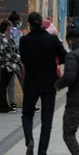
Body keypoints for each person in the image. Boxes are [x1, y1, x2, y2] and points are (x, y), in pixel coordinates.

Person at [19, 12, 67, 155]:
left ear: (29, 24)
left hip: (31, 83)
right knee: (47, 121)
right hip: (49, 84)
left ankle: (29, 139)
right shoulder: (52, 40)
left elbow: (24, 59)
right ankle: (42, 152)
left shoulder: (24, 41)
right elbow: (64, 56)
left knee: (27, 114)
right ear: (41, 23)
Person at [0, 19, 21, 113]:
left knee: (3, 87)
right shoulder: (3, 38)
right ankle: (3, 107)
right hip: (6, 65)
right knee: (3, 87)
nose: (11, 30)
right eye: (10, 28)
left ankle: (5, 106)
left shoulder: (7, 37)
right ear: (7, 28)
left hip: (9, 66)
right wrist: (21, 58)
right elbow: (9, 54)